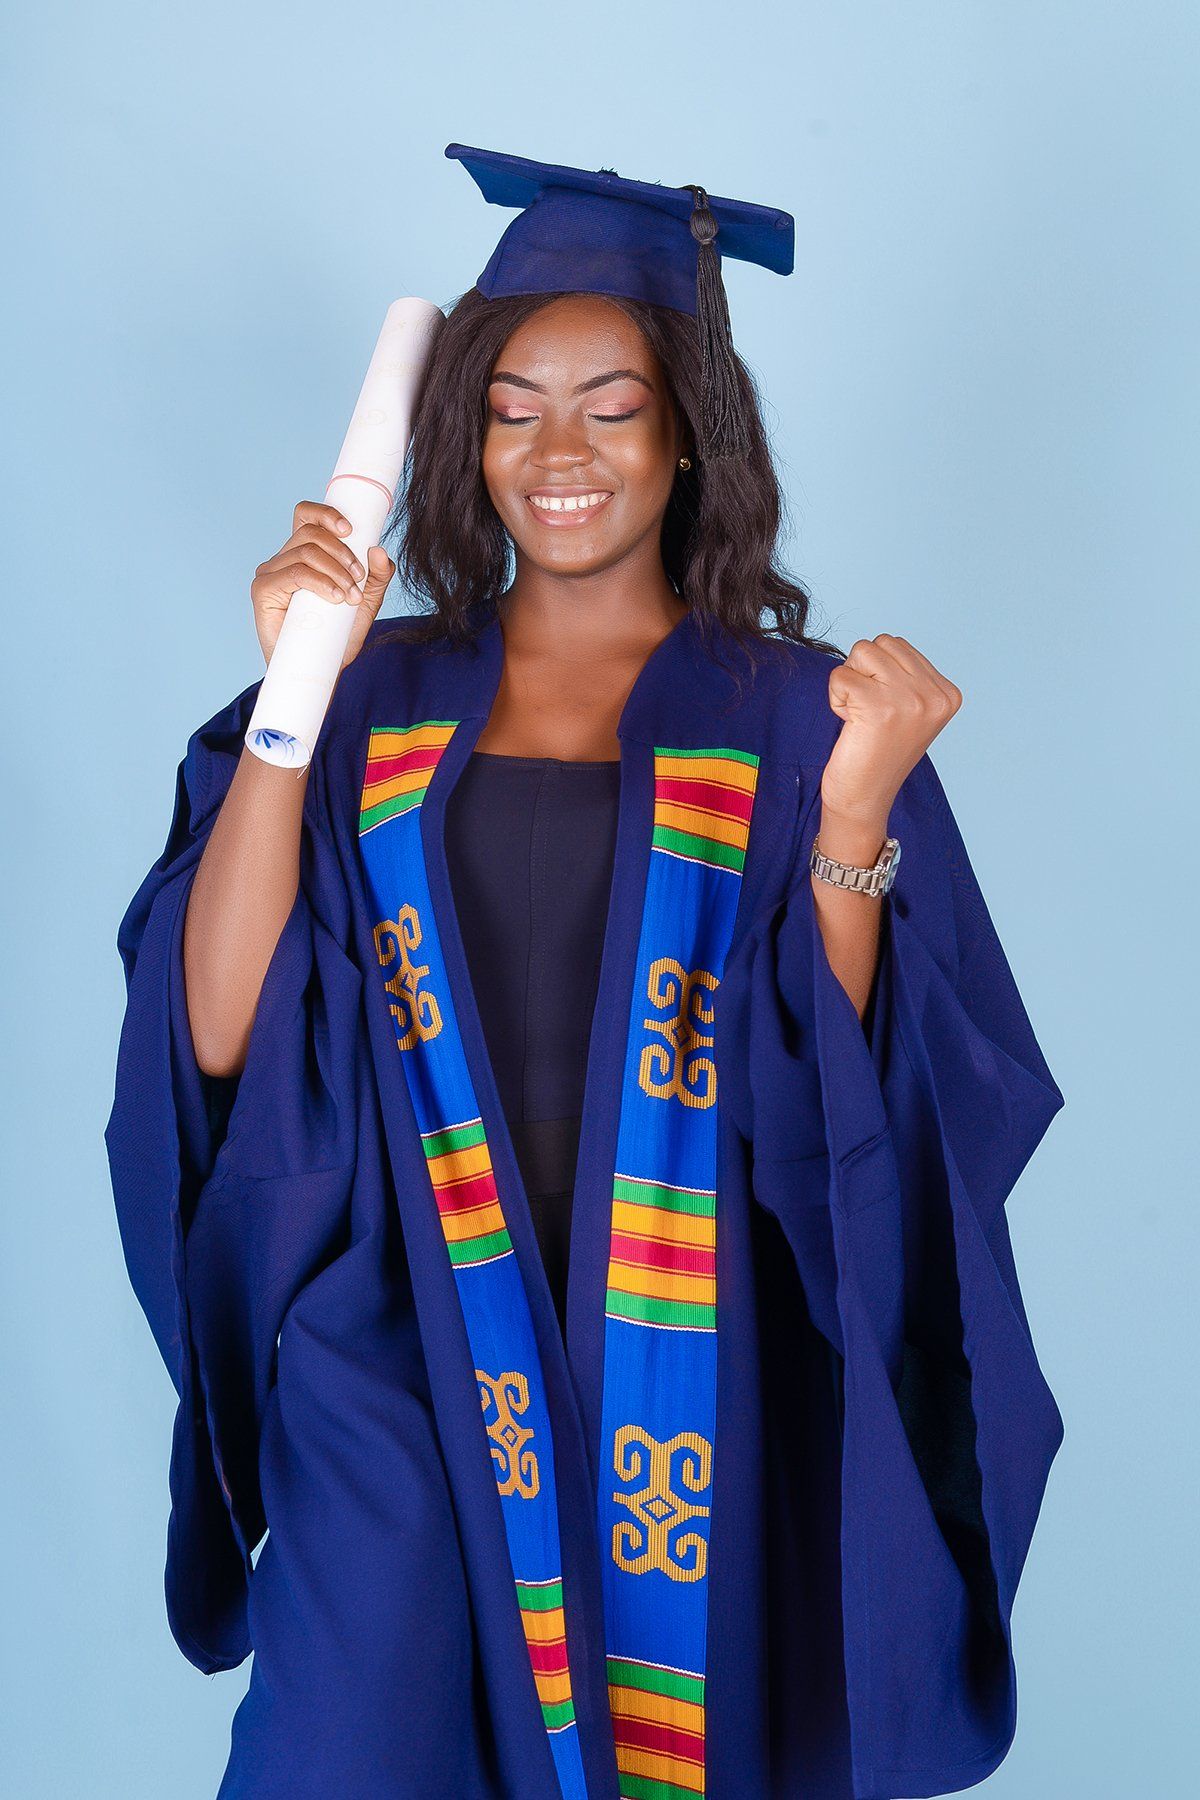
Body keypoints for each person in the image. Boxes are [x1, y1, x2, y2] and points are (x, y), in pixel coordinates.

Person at [105, 145, 1065, 1800]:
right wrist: (291, 698)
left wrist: (852, 818)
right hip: (402, 1331)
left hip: (689, 1345)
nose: (559, 453)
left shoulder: (800, 711)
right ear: (461, 438)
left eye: (612, 408)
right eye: (512, 410)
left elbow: (854, 1087)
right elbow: (219, 1028)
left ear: (687, 434)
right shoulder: (374, 693)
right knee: (342, 1743)